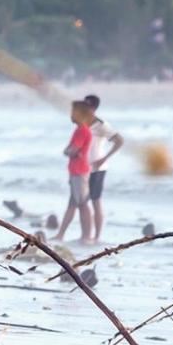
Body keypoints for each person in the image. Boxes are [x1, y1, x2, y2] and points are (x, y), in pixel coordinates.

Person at [81, 93, 123, 237]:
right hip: (84, 168)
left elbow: (119, 141)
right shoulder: (83, 122)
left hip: (98, 168)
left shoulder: (101, 124)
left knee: (96, 201)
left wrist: (104, 158)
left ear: (93, 108)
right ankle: (86, 235)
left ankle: (97, 236)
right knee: (83, 202)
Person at [55, 100, 96, 242]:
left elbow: (72, 150)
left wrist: (70, 152)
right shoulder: (79, 130)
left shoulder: (83, 131)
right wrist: (70, 151)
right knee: (72, 204)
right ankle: (61, 234)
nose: (71, 115)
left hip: (80, 171)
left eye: (73, 112)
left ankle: (87, 236)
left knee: (83, 204)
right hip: (75, 170)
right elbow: (69, 150)